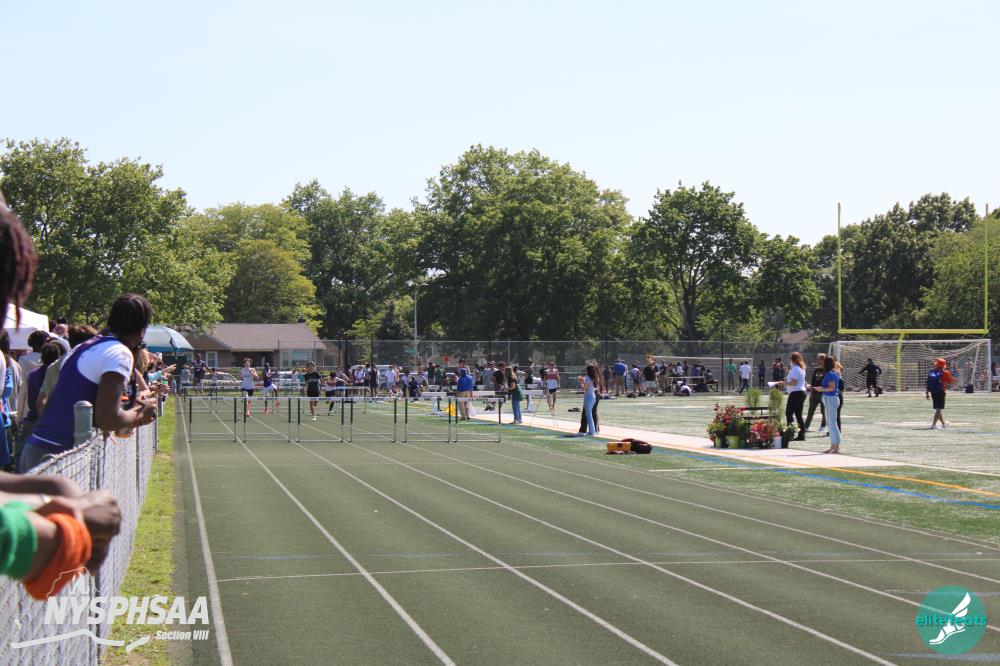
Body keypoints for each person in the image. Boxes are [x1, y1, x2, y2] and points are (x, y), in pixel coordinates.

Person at [21, 294, 158, 472]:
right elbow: (108, 419)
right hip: (57, 457)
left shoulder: (86, 346)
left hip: (38, 448)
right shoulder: (120, 353)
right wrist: (140, 413)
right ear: (142, 329)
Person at [813, 356, 842, 454]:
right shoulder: (832, 373)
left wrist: (821, 389)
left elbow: (831, 388)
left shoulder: (830, 374)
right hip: (829, 399)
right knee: (830, 424)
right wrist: (820, 388)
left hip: (831, 399)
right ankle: (833, 446)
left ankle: (836, 447)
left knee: (832, 424)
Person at [777, 351, 807, 441]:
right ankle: (801, 434)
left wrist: (783, 383)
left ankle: (790, 433)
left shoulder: (796, 369)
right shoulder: (800, 368)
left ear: (793, 359)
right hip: (801, 392)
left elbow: (794, 382)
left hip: (796, 393)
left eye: (791, 358)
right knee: (798, 415)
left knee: (789, 413)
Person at [926, 358, 953, 429]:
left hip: (933, 392)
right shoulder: (945, 372)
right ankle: (933, 425)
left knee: (938, 408)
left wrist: (927, 393)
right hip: (941, 391)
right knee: (939, 409)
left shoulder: (931, 372)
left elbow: (927, 382)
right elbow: (950, 381)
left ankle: (943, 424)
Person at [803, 353, 827, 435]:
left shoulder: (827, 371)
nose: (817, 360)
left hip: (824, 394)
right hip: (815, 394)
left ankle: (823, 426)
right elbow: (813, 383)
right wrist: (811, 393)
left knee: (824, 411)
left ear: (823, 360)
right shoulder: (816, 370)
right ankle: (806, 427)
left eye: (818, 359)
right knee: (810, 411)